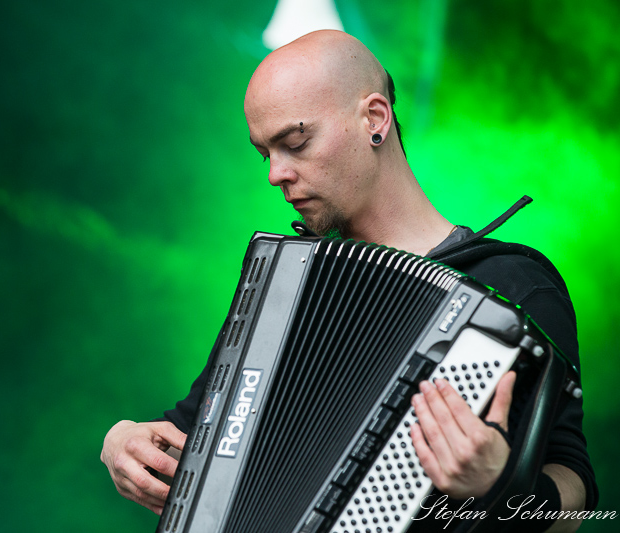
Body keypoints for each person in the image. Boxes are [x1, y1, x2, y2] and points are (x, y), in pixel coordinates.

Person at [100, 30, 597, 531]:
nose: (275, 173)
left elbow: (576, 496)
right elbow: (192, 433)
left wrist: (500, 484)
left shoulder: (511, 284)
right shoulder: (284, 284)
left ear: (374, 119)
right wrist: (122, 441)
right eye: (264, 153)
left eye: (295, 143)